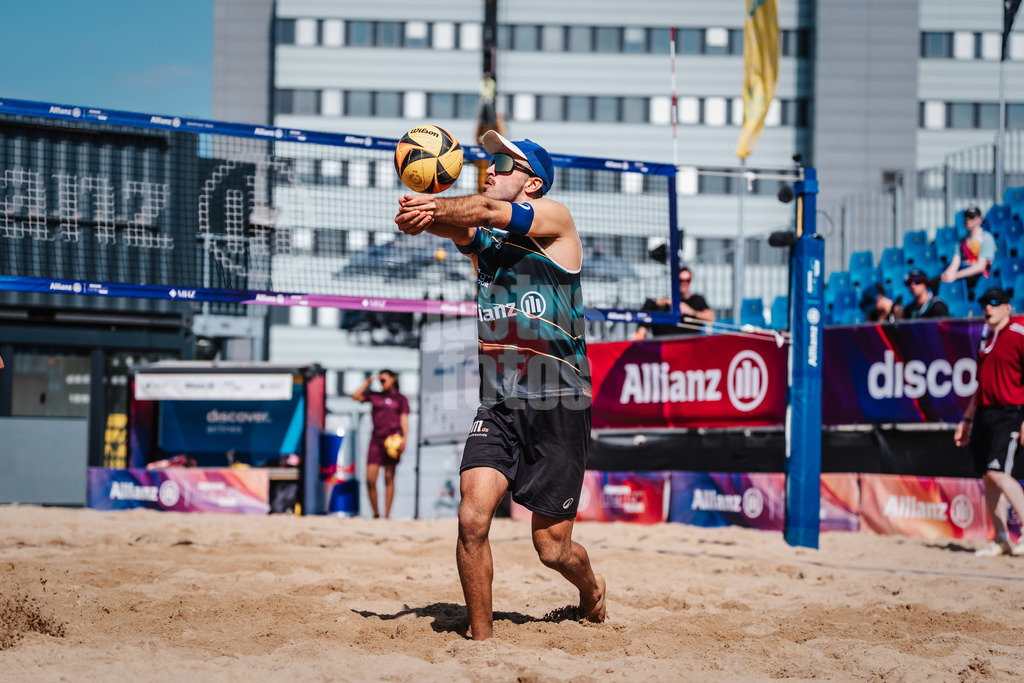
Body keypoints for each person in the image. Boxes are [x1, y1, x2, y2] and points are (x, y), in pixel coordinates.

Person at [394, 131, 606, 640]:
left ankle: (591, 590)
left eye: (505, 164)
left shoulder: (555, 221)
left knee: (552, 548)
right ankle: (482, 642)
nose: (491, 168)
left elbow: (485, 211)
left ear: (532, 183)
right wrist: (418, 216)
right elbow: (460, 224)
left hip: (559, 400)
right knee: (472, 518)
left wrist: (434, 207)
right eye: (490, 161)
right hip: (500, 402)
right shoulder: (487, 244)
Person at [954, 286, 1024, 557]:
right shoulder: (986, 337)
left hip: (1010, 413)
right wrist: (966, 419)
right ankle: (1001, 538)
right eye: (985, 303)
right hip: (984, 413)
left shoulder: (1018, 333)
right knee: (988, 476)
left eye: (994, 303)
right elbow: (981, 385)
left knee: (998, 473)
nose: (988, 307)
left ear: (1008, 307)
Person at [350, 370, 409, 519]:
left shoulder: (400, 398)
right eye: (380, 381)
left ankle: (386, 515)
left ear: (393, 379)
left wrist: (404, 440)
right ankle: (376, 513)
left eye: (384, 380)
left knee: (389, 477)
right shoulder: (375, 395)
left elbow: (404, 420)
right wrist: (368, 381)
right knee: (370, 479)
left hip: (392, 441)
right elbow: (355, 396)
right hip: (376, 440)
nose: (382, 383)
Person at [634, 266, 715, 338]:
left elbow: (711, 317)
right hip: (664, 340)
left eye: (687, 280)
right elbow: (652, 305)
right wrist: (668, 301)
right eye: (681, 280)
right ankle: (641, 334)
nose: (684, 283)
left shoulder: (697, 299)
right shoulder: (665, 302)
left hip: (688, 341)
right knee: (649, 305)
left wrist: (691, 312)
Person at [941, 206, 996, 292]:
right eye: (966, 217)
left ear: (980, 219)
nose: (968, 220)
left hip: (979, 278)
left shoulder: (986, 238)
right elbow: (955, 263)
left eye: (971, 217)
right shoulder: (962, 241)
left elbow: (980, 267)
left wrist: (955, 275)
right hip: (964, 275)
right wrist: (946, 274)